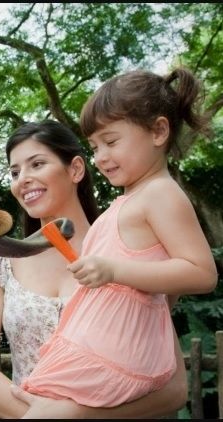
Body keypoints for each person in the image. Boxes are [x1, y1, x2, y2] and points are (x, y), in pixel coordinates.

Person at [0, 119, 189, 418]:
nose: (22, 179)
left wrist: (75, 416)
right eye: (14, 172)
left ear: (75, 169)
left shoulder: (126, 256)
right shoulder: (2, 265)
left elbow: (174, 388)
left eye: (37, 164)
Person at [19, 68, 218, 417]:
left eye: (111, 142)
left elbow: (202, 272)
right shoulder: (128, 201)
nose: (101, 157)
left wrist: (113, 269)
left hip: (113, 357)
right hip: (97, 349)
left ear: (158, 131)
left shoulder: (160, 194)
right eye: (95, 147)